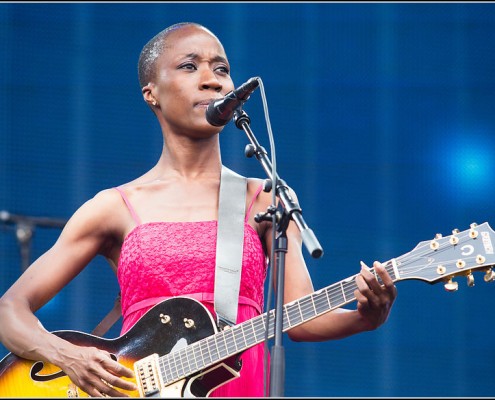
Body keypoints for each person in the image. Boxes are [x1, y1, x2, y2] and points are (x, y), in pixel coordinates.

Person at [0, 22, 397, 398]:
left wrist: (366, 317)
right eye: (190, 66)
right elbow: (9, 309)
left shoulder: (263, 197)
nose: (212, 79)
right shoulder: (114, 206)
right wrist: (67, 355)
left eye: (221, 68)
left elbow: (301, 318)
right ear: (151, 92)